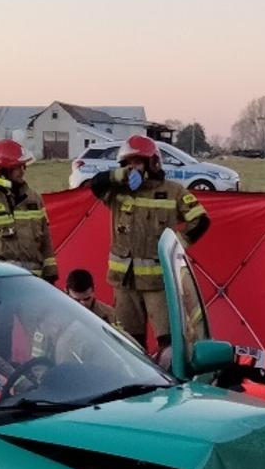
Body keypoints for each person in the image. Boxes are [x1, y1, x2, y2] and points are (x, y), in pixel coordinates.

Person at [80, 135, 209, 351]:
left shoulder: (173, 191)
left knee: (169, 344)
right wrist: (123, 175)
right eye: (127, 163)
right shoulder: (117, 192)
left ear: (152, 163)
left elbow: (201, 220)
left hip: (157, 283)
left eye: (137, 162)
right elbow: (96, 184)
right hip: (124, 284)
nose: (132, 167)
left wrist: (177, 246)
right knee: (129, 345)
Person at [0, 140, 56, 280]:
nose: (23, 171)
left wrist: (51, 272)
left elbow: (46, 239)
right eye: (18, 167)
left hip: (33, 280)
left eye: (23, 166)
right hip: (0, 281)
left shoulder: (34, 198)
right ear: (2, 170)